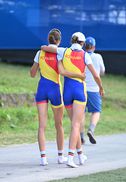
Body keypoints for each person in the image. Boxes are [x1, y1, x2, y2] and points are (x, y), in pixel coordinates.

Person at [41, 32, 104, 168]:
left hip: (67, 93)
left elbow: (47, 48)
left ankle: (80, 155)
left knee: (74, 124)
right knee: (76, 125)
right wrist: (100, 87)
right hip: (79, 92)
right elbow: (96, 75)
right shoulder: (85, 55)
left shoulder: (63, 51)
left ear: (71, 41)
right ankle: (70, 157)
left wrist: (43, 47)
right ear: (82, 43)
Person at [30, 29, 85, 166]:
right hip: (55, 91)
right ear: (59, 40)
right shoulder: (61, 53)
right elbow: (63, 72)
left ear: (48, 39)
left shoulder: (39, 52)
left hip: (41, 89)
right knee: (58, 124)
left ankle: (43, 158)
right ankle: (61, 156)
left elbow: (32, 73)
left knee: (42, 126)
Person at [80, 37, 105, 145]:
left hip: (82, 88)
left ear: (84, 46)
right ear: (94, 47)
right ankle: (91, 129)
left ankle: (80, 135)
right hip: (94, 89)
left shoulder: (81, 55)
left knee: (81, 113)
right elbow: (102, 71)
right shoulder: (98, 56)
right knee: (96, 111)